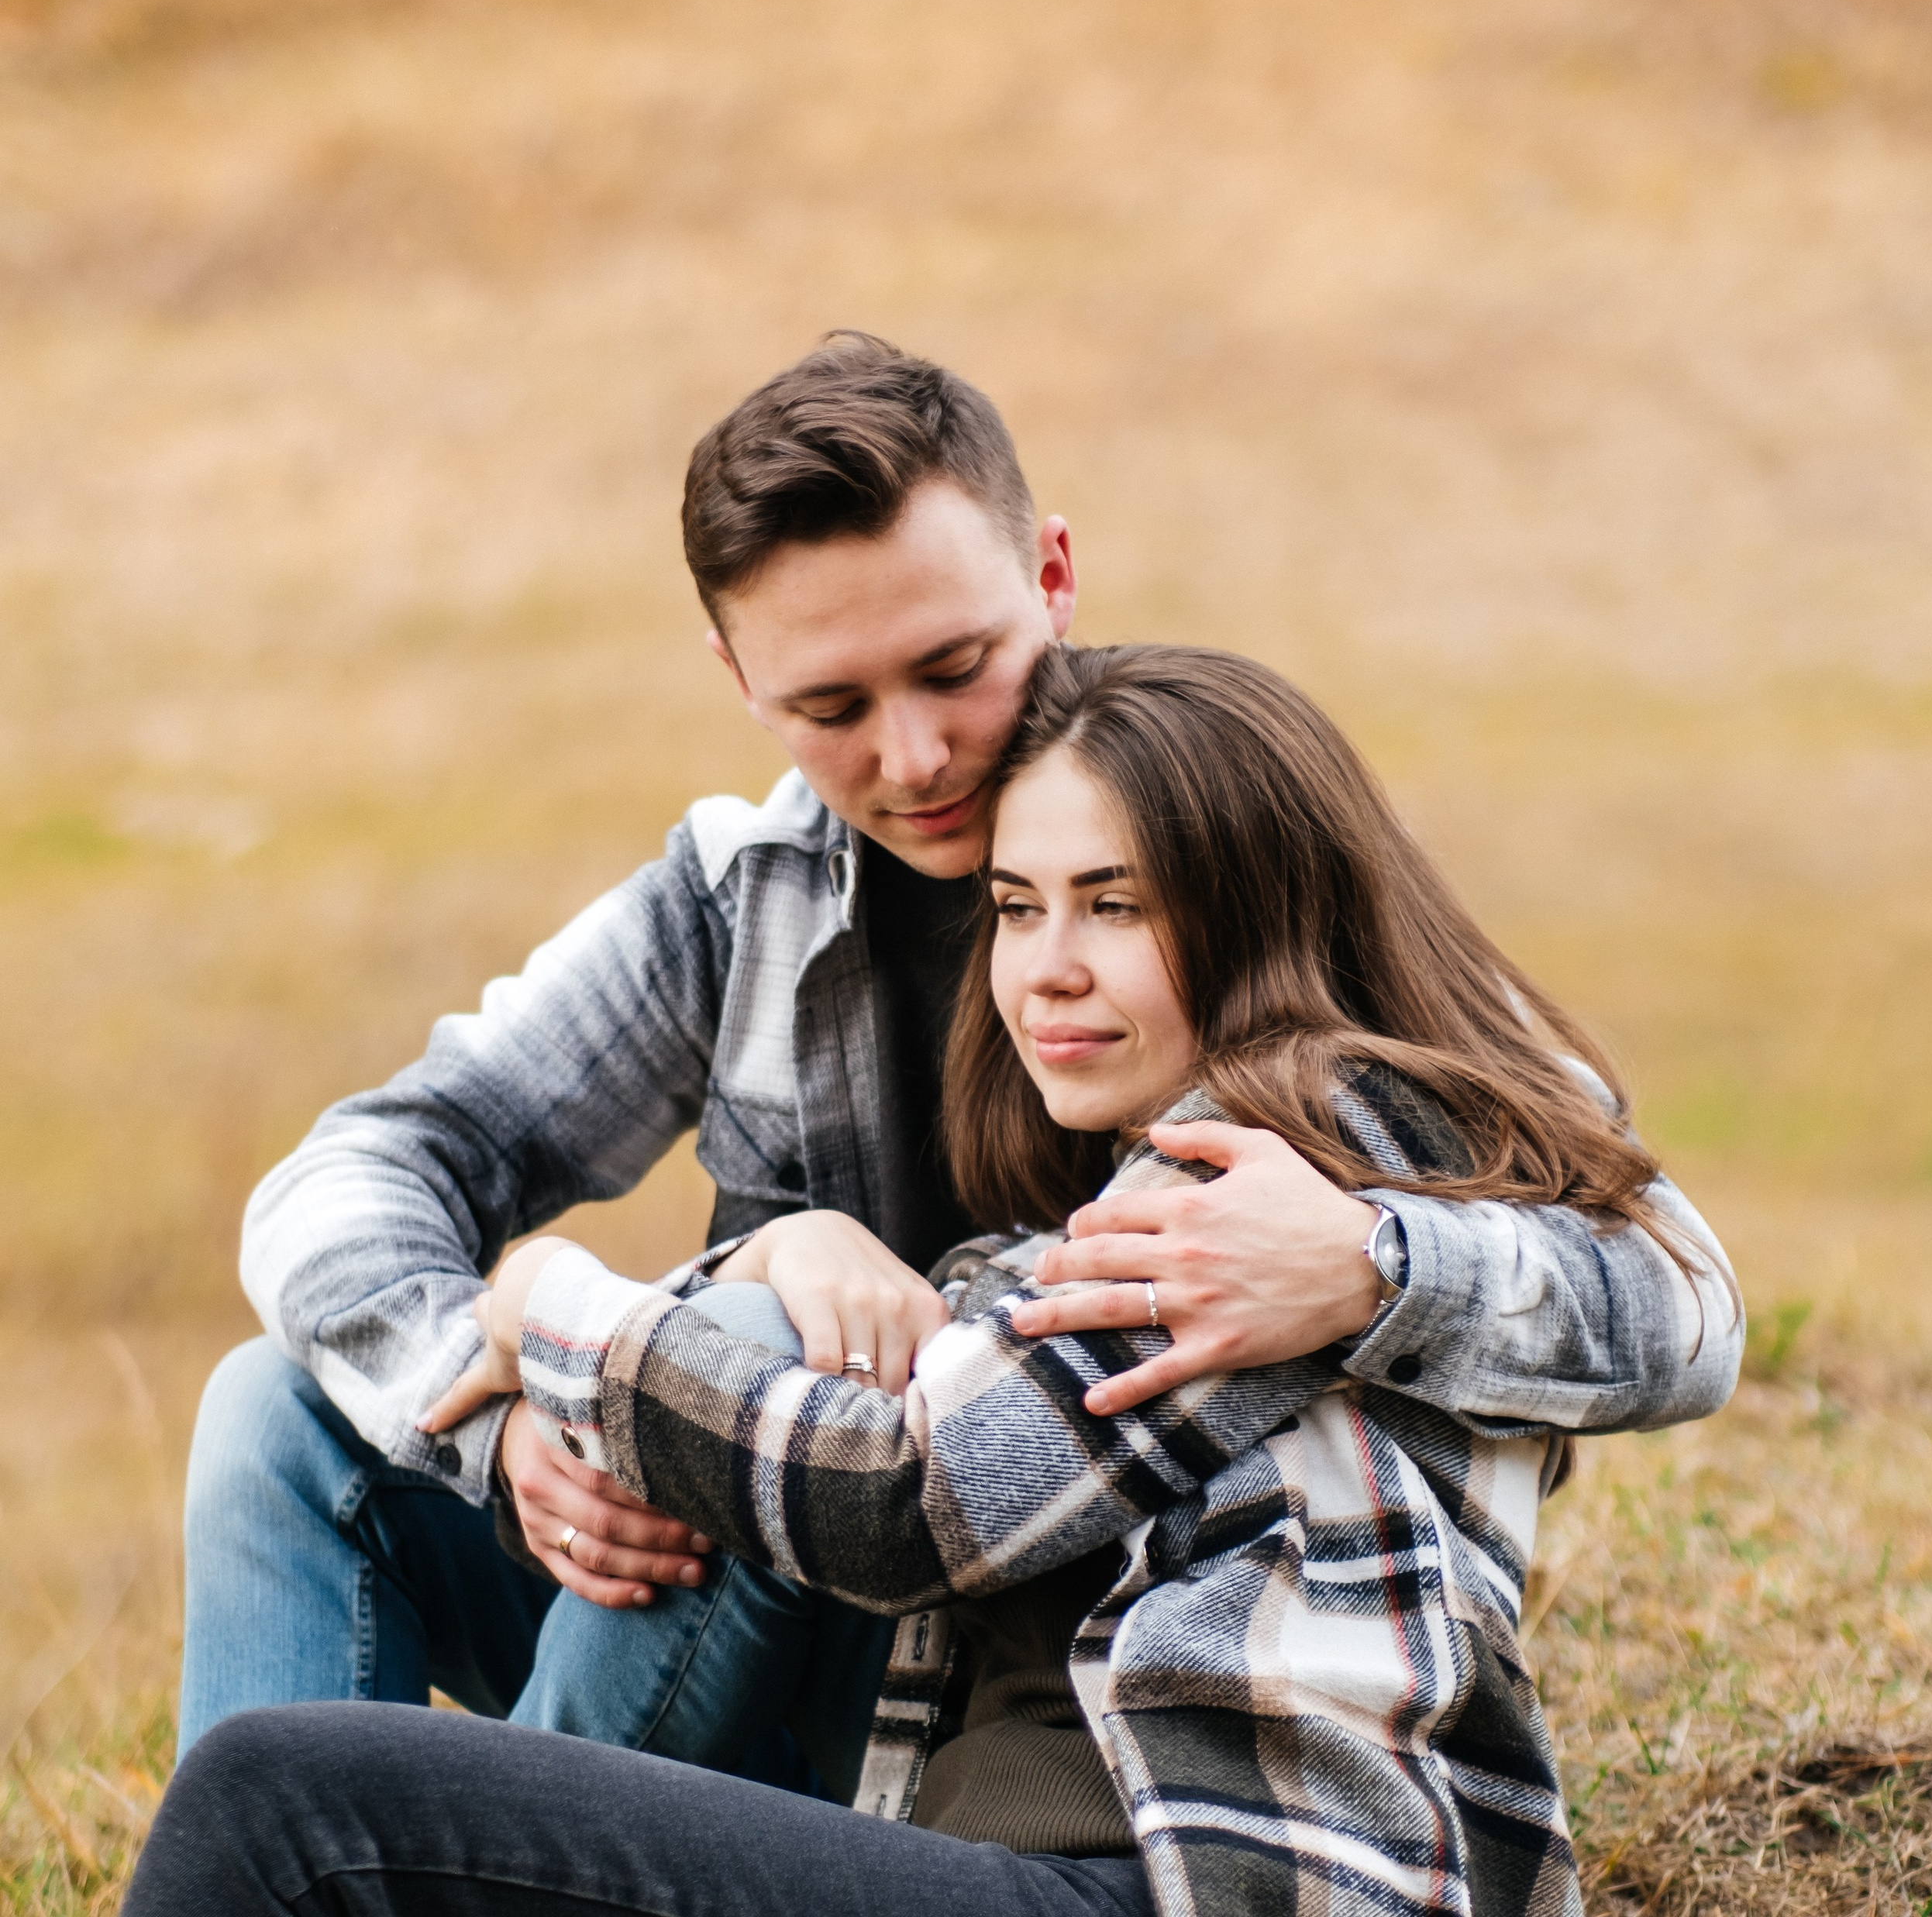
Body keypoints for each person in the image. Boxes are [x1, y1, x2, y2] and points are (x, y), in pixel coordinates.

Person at [0, 645, 1741, 1917]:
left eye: (1114, 907)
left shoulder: (1277, 1160)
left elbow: (907, 1496)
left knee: (300, 1811)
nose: (1045, 968)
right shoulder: (1142, 1169)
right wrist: (702, 1273)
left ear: (1256, 907)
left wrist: (567, 1313)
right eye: (1016, 906)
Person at [180, 334, 1744, 1791]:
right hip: (757, 1591)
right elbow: (351, 1176)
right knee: (276, 1411)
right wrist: (500, 1421)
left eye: (951, 665)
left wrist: (1372, 1263)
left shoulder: (1231, 831)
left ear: (1052, 574)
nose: (913, 757)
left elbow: (1674, 1291)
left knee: (737, 1328)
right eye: (830, 706)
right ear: (736, 679)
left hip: (1047, 1692)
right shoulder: (737, 899)